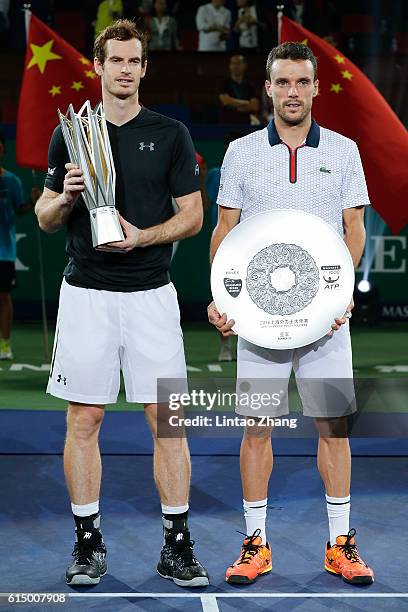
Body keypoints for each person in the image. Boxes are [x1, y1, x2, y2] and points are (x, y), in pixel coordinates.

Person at [35, 19, 209, 588]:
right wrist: (65, 196)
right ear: (99, 66)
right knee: (84, 419)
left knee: (169, 423)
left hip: (152, 297)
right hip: (85, 294)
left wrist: (144, 237)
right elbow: (43, 216)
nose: (127, 70)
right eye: (118, 61)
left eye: (136, 62)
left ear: (143, 68)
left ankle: (176, 544)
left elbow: (193, 215)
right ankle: (88, 542)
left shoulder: (171, 133)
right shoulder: (73, 134)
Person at [207, 42, 375, 586]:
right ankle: (255, 544)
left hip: (325, 322)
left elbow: (354, 230)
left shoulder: (345, 151)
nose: (293, 92)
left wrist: (340, 292)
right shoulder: (240, 151)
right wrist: (223, 298)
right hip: (259, 322)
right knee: (257, 428)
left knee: (334, 427)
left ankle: (340, 545)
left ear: (316, 87)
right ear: (269, 87)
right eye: (283, 82)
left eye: (302, 82)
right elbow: (226, 230)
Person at [0, 135, 36, 360]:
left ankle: (5, 344)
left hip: (4, 251)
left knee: (3, 297)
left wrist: (34, 202)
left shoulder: (12, 181)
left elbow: (20, 208)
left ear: (3, 152)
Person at [219, 55, 260, 125]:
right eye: (233, 63)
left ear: (244, 65)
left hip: (247, 122)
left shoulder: (251, 84)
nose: (235, 66)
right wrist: (247, 103)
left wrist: (234, 105)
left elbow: (254, 106)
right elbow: (226, 101)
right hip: (227, 121)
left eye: (238, 63)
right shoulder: (224, 83)